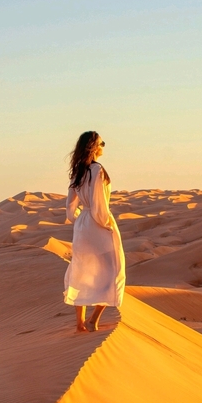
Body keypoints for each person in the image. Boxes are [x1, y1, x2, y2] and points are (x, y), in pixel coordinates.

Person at [64, 131, 125, 332]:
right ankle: (93, 320)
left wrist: (79, 219)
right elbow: (100, 206)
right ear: (94, 147)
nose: (103, 146)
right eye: (102, 143)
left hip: (82, 226)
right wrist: (106, 224)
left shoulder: (77, 172)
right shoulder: (97, 170)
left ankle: (79, 324)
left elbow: (70, 207)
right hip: (98, 225)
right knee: (113, 271)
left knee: (81, 270)